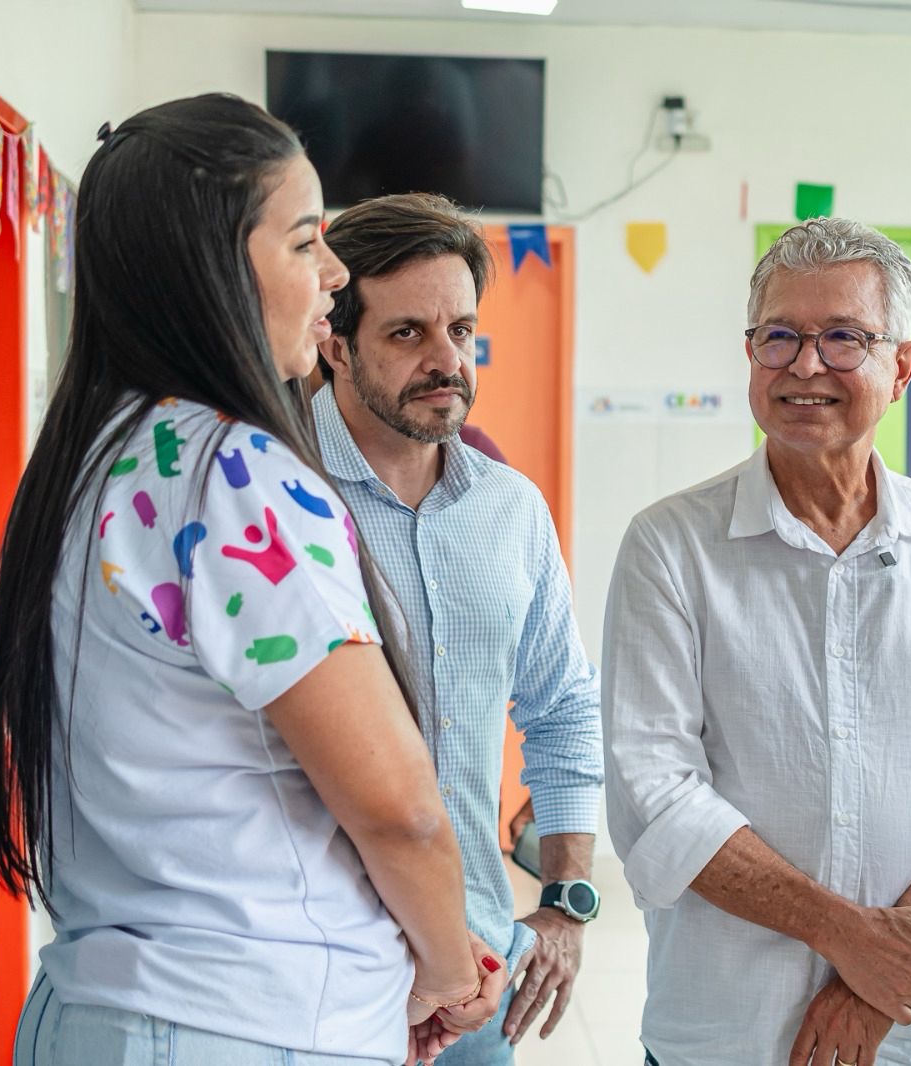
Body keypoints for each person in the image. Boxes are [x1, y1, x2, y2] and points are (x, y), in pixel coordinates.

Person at [0, 94, 502, 1066]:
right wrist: (444, 968)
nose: (335, 274)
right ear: (217, 267)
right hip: (244, 1021)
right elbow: (399, 809)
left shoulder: (90, 458)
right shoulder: (234, 472)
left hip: (92, 1010)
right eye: (307, 241)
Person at [602, 217, 911, 1066]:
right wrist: (850, 939)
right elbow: (655, 795)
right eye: (780, 337)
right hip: (721, 1036)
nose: (805, 366)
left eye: (843, 338)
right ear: (751, 355)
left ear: (903, 366)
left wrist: (879, 987)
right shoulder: (671, 545)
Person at [316, 192, 604, 1064]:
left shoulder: (512, 511)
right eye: (407, 334)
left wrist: (567, 898)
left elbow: (562, 709)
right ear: (334, 342)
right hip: (319, 972)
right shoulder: (275, 497)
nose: (447, 362)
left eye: (462, 332)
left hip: (477, 971)